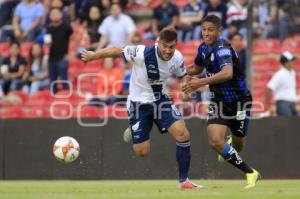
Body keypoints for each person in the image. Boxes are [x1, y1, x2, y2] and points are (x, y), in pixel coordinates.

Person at [81, 27, 202, 189]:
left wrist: (185, 90)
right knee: (142, 152)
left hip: (161, 101)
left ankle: (184, 181)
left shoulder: (177, 57)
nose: (167, 50)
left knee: (183, 134)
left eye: (171, 47)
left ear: (176, 45)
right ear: (158, 43)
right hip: (138, 104)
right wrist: (94, 55)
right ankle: (135, 128)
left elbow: (182, 77)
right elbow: (118, 50)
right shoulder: (141, 52)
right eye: (164, 46)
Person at [182, 15, 260, 189]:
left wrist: (199, 83)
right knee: (215, 141)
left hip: (239, 101)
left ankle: (232, 143)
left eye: (211, 29)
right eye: (204, 29)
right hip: (219, 101)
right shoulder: (203, 48)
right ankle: (251, 172)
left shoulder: (222, 48)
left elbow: (227, 73)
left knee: (238, 144)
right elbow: (197, 68)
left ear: (219, 31)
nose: (206, 33)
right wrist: (177, 69)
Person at [46, 8, 73, 93]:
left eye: (57, 13)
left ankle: (69, 99)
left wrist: (71, 52)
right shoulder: (48, 28)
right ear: (50, 16)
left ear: (61, 15)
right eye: (53, 14)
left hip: (63, 58)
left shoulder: (67, 27)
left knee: (64, 80)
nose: (55, 16)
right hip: (51, 58)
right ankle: (53, 102)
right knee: (52, 83)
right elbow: (47, 43)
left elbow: (76, 38)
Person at [265, 51, 298, 116]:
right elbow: (268, 89)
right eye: (291, 60)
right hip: (283, 105)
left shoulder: (292, 73)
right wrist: (269, 107)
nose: (293, 62)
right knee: (288, 124)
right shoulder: (280, 74)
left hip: (291, 104)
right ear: (285, 63)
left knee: (295, 124)